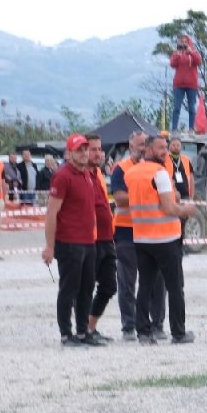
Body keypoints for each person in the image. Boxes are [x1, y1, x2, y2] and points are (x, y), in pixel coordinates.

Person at [125, 134, 197, 344]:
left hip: (142, 238)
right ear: (147, 150)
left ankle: (143, 332)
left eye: (165, 147)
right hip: (165, 238)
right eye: (160, 148)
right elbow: (168, 207)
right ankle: (178, 332)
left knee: (145, 286)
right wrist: (186, 210)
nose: (164, 151)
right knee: (175, 287)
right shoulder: (161, 173)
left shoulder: (132, 173)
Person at [42, 134, 106, 347]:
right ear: (69, 153)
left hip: (88, 242)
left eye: (86, 149)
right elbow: (52, 213)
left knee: (87, 288)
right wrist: (50, 246)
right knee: (69, 289)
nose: (85, 153)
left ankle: (82, 331)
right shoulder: (62, 176)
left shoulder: (87, 174)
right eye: (80, 150)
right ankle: (65, 333)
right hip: (69, 242)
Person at [110, 131, 166, 341]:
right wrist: (147, 195)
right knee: (127, 281)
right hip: (126, 232)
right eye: (140, 144)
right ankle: (129, 326)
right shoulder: (121, 169)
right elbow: (119, 198)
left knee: (157, 281)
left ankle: (157, 324)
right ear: (131, 145)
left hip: (152, 230)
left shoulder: (157, 169)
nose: (143, 148)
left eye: (145, 145)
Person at [85, 134, 117, 342]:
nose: (98, 153)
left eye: (99, 149)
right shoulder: (81, 175)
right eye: (93, 149)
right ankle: (83, 330)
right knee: (86, 287)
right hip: (90, 240)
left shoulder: (98, 174)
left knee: (109, 286)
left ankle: (91, 326)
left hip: (106, 238)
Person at [169, 34, 203, 132]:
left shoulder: (194, 52)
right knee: (176, 107)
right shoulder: (176, 53)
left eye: (185, 42)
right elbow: (172, 64)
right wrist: (178, 55)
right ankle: (174, 129)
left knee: (192, 107)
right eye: (182, 42)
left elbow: (199, 61)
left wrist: (190, 52)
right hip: (178, 84)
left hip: (191, 84)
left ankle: (191, 128)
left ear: (189, 43)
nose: (183, 44)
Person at [164, 135, 194, 201]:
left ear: (181, 147)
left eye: (178, 145)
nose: (176, 147)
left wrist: (191, 196)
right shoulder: (164, 159)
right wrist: (174, 191)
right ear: (168, 146)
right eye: (173, 145)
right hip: (170, 195)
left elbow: (191, 179)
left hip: (186, 195)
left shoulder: (186, 159)